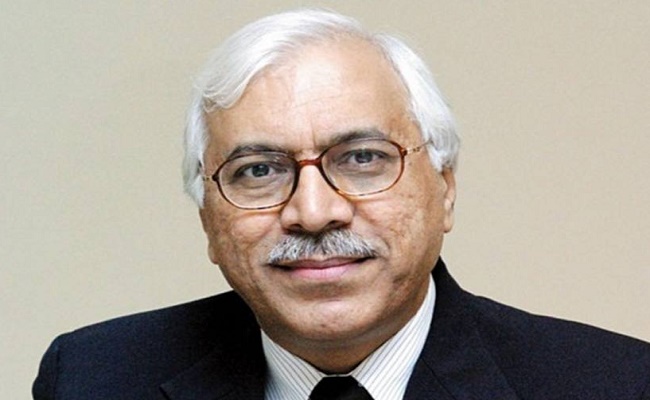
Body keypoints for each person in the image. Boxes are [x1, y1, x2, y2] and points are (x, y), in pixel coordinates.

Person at [33, 8, 650, 400]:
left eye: (361, 159)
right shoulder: (92, 379)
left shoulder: (614, 384)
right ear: (208, 220)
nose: (313, 212)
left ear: (445, 188)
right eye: (258, 170)